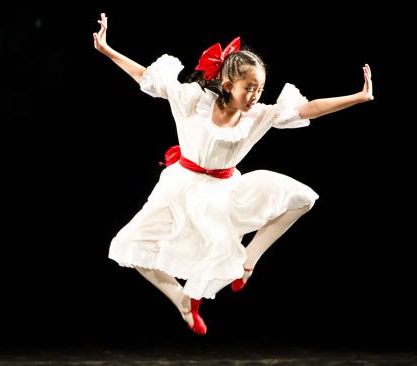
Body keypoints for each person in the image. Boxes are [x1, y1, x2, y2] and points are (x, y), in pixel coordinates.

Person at [93, 13, 374, 336]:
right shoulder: (194, 100)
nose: (256, 95)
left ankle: (248, 262)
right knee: (129, 244)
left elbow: (307, 108)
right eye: (250, 88)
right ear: (228, 85)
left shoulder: (258, 115)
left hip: (225, 190)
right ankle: (183, 301)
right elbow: (147, 77)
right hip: (181, 186)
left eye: (261, 88)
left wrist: (358, 97)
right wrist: (108, 50)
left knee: (302, 198)